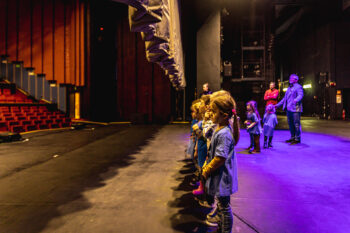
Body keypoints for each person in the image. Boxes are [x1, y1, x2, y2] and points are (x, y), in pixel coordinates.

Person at [201, 93, 239, 233]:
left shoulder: (224, 133)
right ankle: (222, 228)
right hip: (220, 176)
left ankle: (225, 230)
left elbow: (220, 158)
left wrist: (206, 170)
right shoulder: (220, 128)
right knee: (222, 205)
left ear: (224, 115)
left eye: (214, 111)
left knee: (224, 207)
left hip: (223, 177)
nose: (210, 113)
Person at [275, 74, 304, 144]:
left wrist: (296, 100)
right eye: (290, 78)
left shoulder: (298, 87)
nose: (290, 79)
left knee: (296, 124)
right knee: (290, 124)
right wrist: (277, 105)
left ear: (296, 80)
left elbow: (300, 95)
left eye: (292, 78)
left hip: (295, 109)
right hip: (289, 109)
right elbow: (284, 99)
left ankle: (297, 139)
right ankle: (292, 137)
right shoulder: (289, 88)